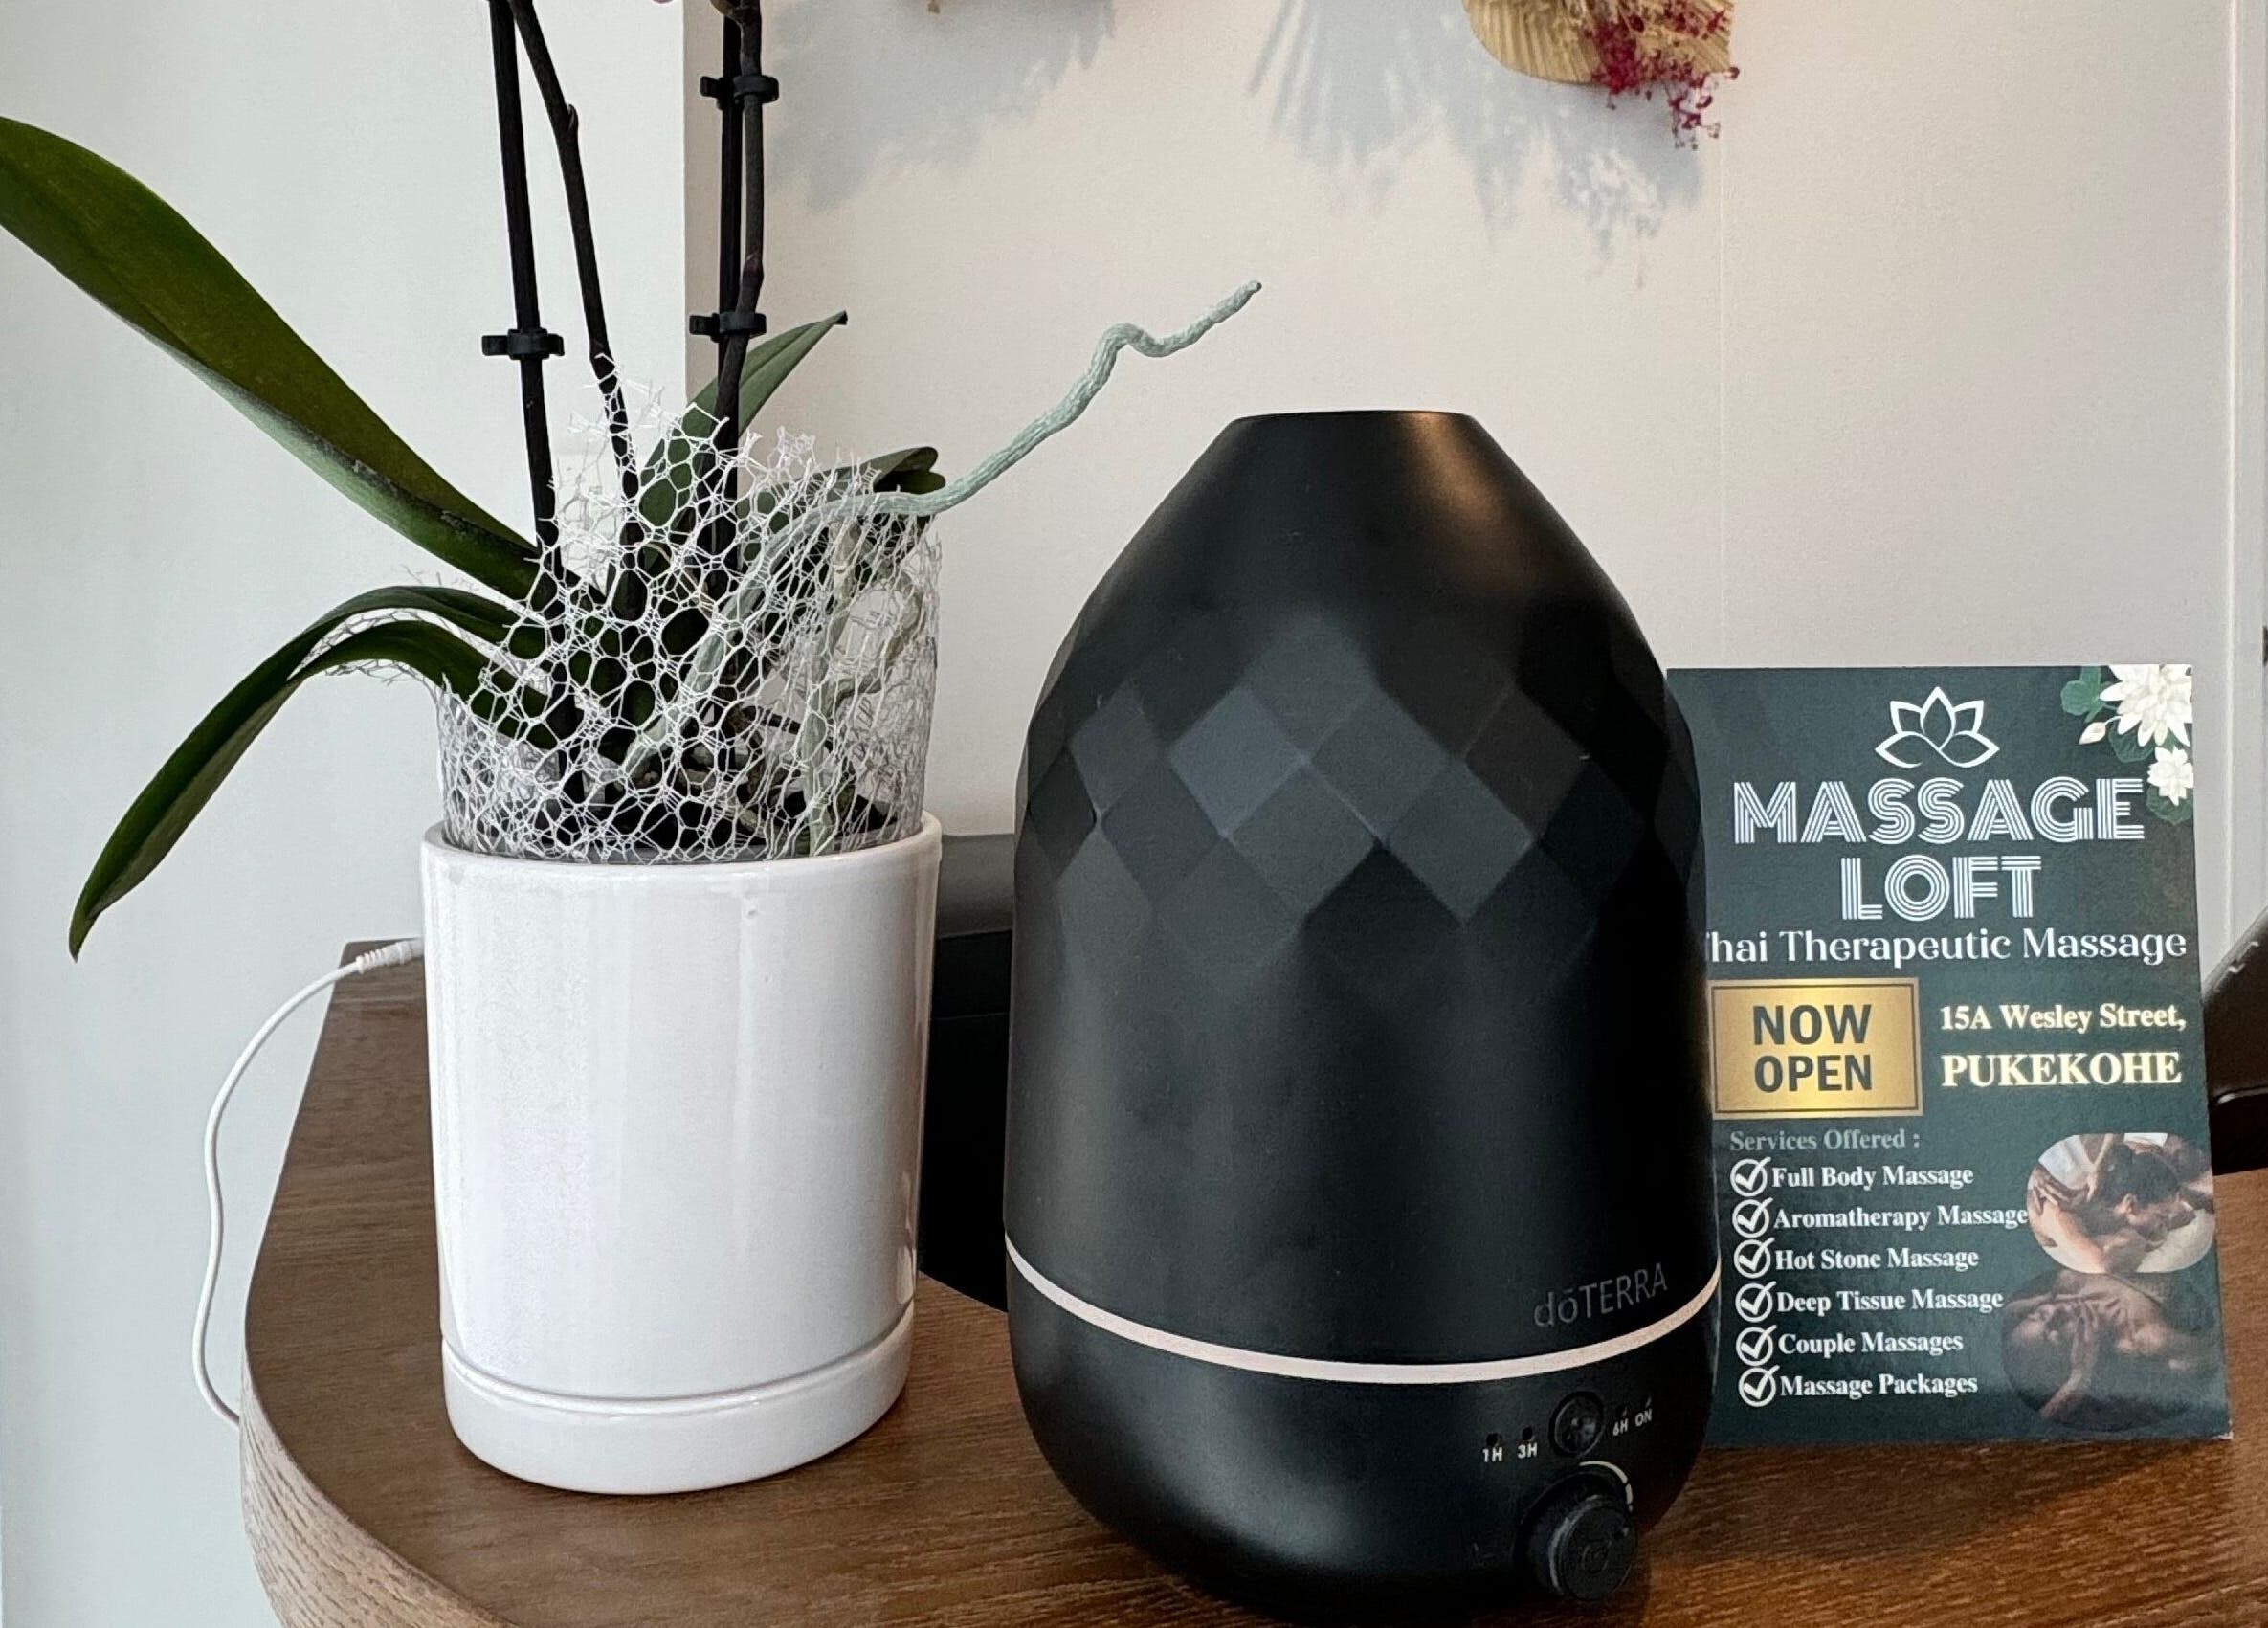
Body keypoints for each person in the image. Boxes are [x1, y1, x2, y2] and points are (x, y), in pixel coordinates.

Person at [2001, 1269, 2221, 1431]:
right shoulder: (2158, 1347)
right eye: (2054, 1334)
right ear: (2076, 1356)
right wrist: (2079, 1378)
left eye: (2038, 1315)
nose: (2054, 1314)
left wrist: (2040, 1301)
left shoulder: (2073, 1280)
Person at [2026, 1134, 2212, 1274]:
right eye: (2161, 1218)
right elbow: (2102, 1263)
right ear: (2130, 1204)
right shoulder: (2058, 1210)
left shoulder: (2106, 1205)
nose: (2163, 1226)